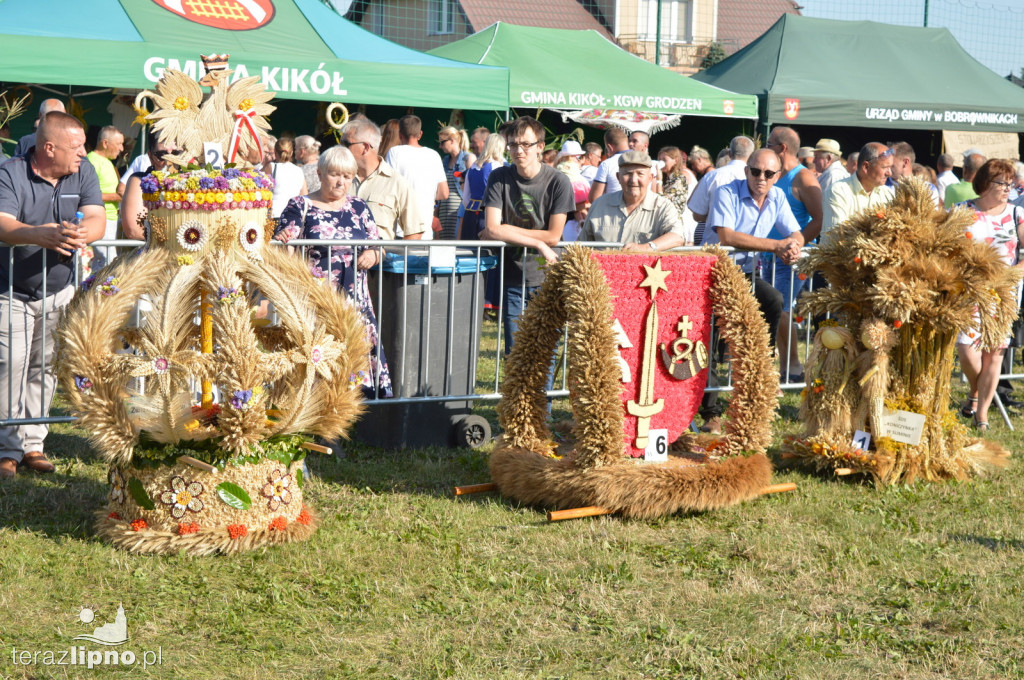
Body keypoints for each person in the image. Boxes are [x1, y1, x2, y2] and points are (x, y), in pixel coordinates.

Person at [0, 111, 105, 478]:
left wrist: (82, 235)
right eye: (75, 147)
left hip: (58, 290)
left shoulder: (83, 170)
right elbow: (4, 224)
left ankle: (33, 445)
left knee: (43, 366)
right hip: (10, 289)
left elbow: (96, 216)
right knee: (10, 365)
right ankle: (6, 448)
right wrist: (37, 234)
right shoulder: (11, 173)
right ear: (49, 148)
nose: (82, 153)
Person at [275, 145, 391, 399]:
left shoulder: (359, 207)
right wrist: (285, 243)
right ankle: (321, 421)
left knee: (352, 361)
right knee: (319, 363)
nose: (340, 182)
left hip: (355, 302)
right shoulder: (300, 205)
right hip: (317, 301)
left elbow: (378, 245)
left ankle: (349, 418)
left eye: (347, 176)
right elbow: (286, 248)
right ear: (319, 172)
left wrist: (372, 254)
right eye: (334, 174)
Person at [481, 116, 574, 359]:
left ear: (540, 146)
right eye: (512, 145)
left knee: (547, 353)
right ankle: (520, 399)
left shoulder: (558, 181)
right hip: (513, 277)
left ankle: (547, 400)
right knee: (517, 354)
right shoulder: (499, 177)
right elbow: (491, 228)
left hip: (547, 276)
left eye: (526, 144)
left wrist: (505, 230)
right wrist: (537, 243)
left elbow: (554, 234)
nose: (518, 150)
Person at [954, 159, 1024, 431]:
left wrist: (1015, 272)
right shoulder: (961, 211)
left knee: (994, 352)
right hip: (970, 290)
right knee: (966, 349)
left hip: (1004, 292)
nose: (1008, 188)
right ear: (984, 184)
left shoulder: (1017, 213)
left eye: (1010, 183)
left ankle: (981, 414)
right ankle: (975, 389)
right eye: (1001, 183)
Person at [765, 126, 824, 382]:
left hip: (792, 258)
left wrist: (795, 243)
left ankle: (793, 367)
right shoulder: (775, 175)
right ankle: (785, 366)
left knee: (783, 310)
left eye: (769, 143)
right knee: (774, 310)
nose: (766, 147)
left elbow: (819, 220)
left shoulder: (804, 178)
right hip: (768, 255)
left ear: (782, 147)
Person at [580, 150, 689, 249]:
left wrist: (647, 247)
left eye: (640, 174)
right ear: (618, 177)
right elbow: (582, 245)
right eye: (628, 174)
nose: (633, 180)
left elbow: (677, 237)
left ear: (650, 178)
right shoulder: (600, 205)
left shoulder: (663, 206)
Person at [339, 117, 423, 240]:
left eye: (346, 144)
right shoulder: (336, 178)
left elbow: (414, 231)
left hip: (381, 258)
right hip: (338, 256)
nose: (341, 149)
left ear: (366, 147)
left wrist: (392, 256)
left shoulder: (396, 182)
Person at [385, 115, 448, 240]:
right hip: (425, 228)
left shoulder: (394, 152)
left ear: (400, 134)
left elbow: (388, 187)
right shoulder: (434, 155)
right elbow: (444, 193)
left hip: (401, 230)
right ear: (420, 134)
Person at [688, 135, 756, 244]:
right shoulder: (756, 178)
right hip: (745, 248)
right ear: (752, 155)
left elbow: (697, 214)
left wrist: (715, 216)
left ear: (730, 154)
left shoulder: (712, 176)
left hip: (713, 246)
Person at [822, 143, 895, 240]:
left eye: (890, 167)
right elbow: (839, 234)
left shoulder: (887, 194)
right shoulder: (838, 191)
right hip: (843, 254)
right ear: (866, 167)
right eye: (885, 167)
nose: (889, 173)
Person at [119, 136, 179, 242]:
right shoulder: (140, 180)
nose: (170, 161)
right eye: (162, 155)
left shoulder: (197, 179)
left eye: (175, 153)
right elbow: (134, 230)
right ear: (150, 156)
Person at [85, 125, 124, 269]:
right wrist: (117, 196)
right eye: (119, 144)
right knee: (107, 262)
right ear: (105, 143)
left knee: (106, 262)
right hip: (100, 218)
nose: (122, 149)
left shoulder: (107, 163)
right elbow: (87, 194)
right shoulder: (91, 161)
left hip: (112, 219)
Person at [437, 126, 475, 240]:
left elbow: (472, 190)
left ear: (452, 141)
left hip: (459, 214)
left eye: (442, 142)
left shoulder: (468, 158)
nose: (440, 146)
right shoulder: (445, 161)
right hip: (444, 213)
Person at [553, 140, 591, 241]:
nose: (578, 159)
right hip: (570, 215)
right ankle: (583, 220)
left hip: (566, 216)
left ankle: (582, 220)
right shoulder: (569, 168)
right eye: (577, 156)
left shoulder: (559, 169)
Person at [657, 146, 697, 240]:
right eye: (659, 159)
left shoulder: (680, 179)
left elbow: (663, 202)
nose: (661, 163)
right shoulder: (669, 179)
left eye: (664, 160)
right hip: (671, 223)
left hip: (682, 224)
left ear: (675, 160)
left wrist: (658, 181)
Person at [267, 138, 308, 219]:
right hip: (293, 216)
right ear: (292, 153)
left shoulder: (270, 167)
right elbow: (304, 196)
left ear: (275, 152)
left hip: (274, 216)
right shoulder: (299, 170)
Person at [589, 127, 629, 202]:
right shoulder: (644, 161)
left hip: (613, 211)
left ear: (609, 147)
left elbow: (594, 198)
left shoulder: (607, 164)